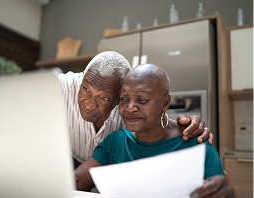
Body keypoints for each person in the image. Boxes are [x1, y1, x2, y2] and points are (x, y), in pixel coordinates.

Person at [74, 64, 235, 197]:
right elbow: (78, 181)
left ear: (165, 103)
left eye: (141, 99)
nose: (130, 108)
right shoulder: (116, 142)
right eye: (124, 99)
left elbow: (220, 192)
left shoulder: (195, 141)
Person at [58, 51, 213, 169]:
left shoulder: (129, 112)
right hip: (67, 157)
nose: (90, 105)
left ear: (119, 97)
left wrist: (194, 125)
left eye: (104, 98)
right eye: (86, 89)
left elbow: (157, 123)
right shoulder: (61, 87)